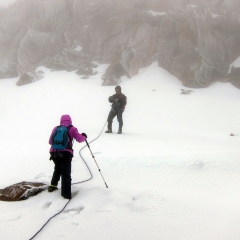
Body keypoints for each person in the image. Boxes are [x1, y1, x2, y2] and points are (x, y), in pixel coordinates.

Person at [48, 114, 87, 199]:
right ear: (70, 120)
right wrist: (84, 136)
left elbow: (50, 142)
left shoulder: (56, 128)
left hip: (54, 153)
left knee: (57, 169)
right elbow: (79, 139)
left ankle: (52, 186)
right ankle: (66, 195)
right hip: (65, 154)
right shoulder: (72, 128)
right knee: (66, 174)